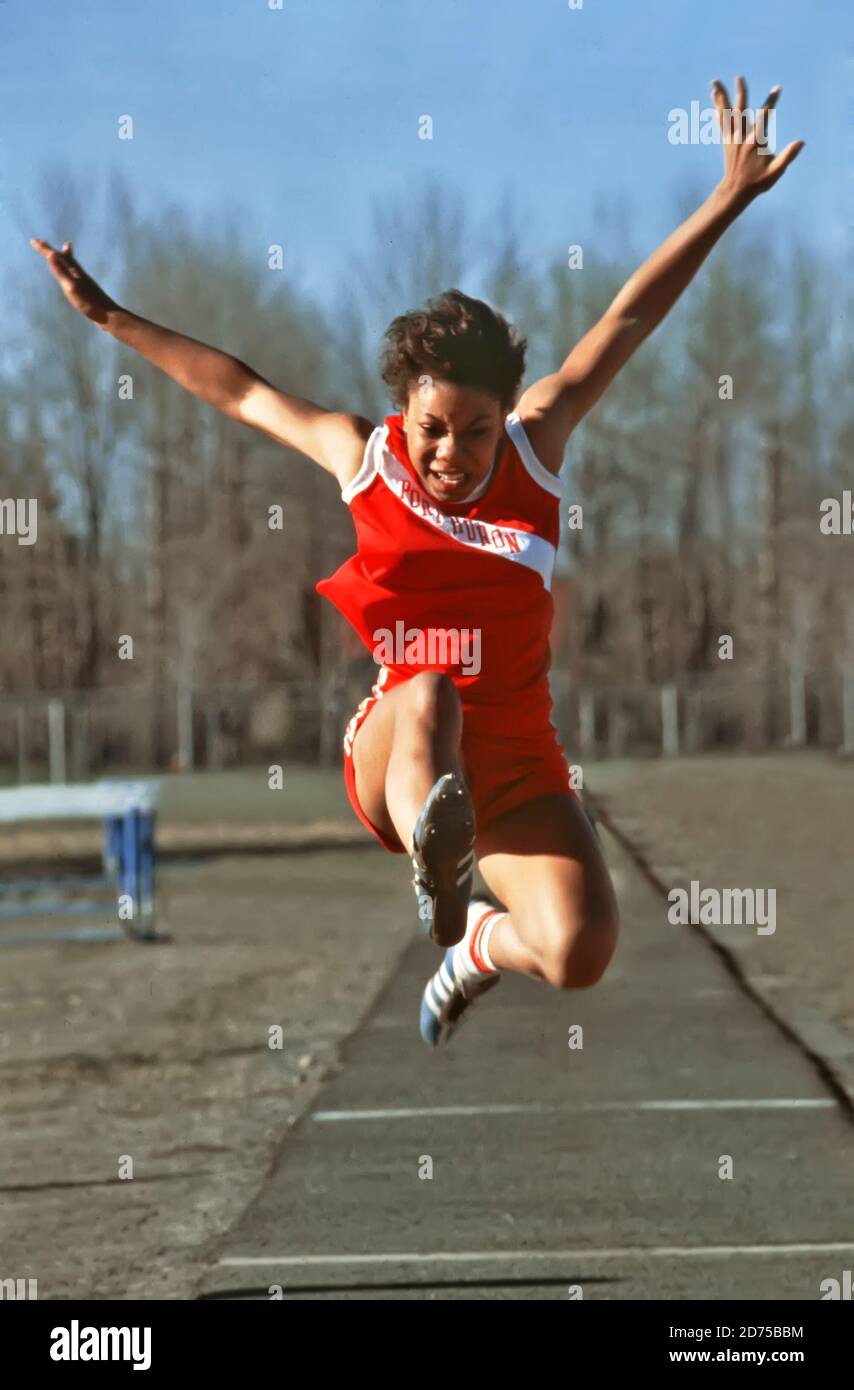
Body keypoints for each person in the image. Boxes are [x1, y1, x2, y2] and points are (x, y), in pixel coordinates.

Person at [32, 76, 802, 1045]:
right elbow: (238, 390)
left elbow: (623, 323)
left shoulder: (535, 448)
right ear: (406, 411)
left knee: (578, 949)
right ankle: (438, 873)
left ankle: (473, 943)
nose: (452, 455)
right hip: (398, 744)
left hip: (516, 759)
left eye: (474, 432)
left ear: (503, 416)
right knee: (432, 686)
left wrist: (724, 199)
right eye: (433, 429)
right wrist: (111, 318)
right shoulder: (364, 458)